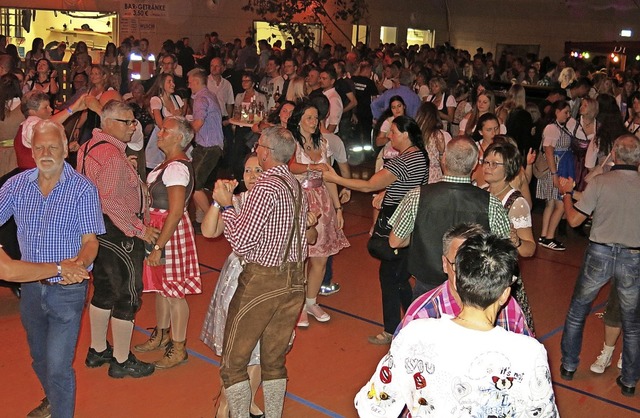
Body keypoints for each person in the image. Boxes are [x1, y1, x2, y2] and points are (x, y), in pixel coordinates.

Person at [355, 232, 558, 417]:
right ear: (505, 293)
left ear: (457, 282)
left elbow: (373, 407)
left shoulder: (414, 335)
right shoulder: (529, 353)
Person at [0, 119, 105, 418]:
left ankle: (60, 410)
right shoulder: (16, 186)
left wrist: (79, 264)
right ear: (31, 152)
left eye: (53, 146)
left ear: (64, 150)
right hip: (30, 287)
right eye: (39, 147)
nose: (46, 152)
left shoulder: (83, 190)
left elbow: (90, 242)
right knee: (40, 359)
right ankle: (53, 399)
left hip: (67, 290)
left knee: (59, 366)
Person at [214, 126, 308, 417]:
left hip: (263, 281)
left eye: (259, 146)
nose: (257, 148)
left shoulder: (266, 186)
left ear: (265, 153)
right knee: (274, 360)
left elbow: (242, 241)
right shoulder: (293, 184)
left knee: (233, 363)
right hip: (294, 280)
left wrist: (227, 206)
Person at [323, 116, 429, 344]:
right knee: (397, 276)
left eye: (393, 132)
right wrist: (388, 193)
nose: (389, 136)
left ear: (405, 134)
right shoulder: (420, 156)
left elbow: (369, 184)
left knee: (391, 276)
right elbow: (410, 186)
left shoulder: (404, 161)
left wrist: (335, 178)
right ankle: (414, 324)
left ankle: (396, 329)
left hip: (398, 221)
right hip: (410, 219)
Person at [77, 100, 160, 379]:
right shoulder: (112, 156)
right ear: (109, 123)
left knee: (103, 290)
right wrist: (139, 229)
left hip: (96, 230)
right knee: (128, 295)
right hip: (118, 232)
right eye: (127, 122)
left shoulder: (90, 147)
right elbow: (111, 201)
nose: (133, 126)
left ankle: (97, 349)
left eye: (133, 121)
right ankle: (122, 361)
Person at [557, 133, 640, 397]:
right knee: (632, 323)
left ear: (614, 155)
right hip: (633, 256)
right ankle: (628, 381)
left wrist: (566, 193)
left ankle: (569, 366)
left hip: (599, 253)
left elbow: (572, 220)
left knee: (577, 311)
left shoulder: (601, 182)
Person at [389, 136, 511, 298]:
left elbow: (394, 241)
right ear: (475, 164)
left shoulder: (417, 195)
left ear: (444, 159)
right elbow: (504, 250)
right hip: (472, 287)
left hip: (427, 285)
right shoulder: (491, 203)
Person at [134, 116, 201, 368]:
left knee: (173, 293)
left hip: (169, 232)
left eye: (165, 130)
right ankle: (162, 335)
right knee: (162, 289)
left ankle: (178, 345)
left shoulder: (176, 168)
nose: (159, 133)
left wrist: (160, 245)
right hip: (161, 228)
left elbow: (174, 211)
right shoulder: (169, 164)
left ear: (179, 138)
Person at [396, 223, 532, 336]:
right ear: (444, 264)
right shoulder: (422, 314)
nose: (466, 273)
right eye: (458, 264)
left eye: (474, 264)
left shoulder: (509, 307)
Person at [287, 101, 350, 326]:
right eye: (310, 118)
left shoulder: (323, 143)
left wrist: (337, 208)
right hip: (299, 201)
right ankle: (298, 304)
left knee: (320, 257)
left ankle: (311, 301)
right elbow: (291, 167)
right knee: (300, 256)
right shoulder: (291, 143)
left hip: (321, 201)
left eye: (316, 118)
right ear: (299, 119)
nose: (315, 122)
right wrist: (312, 168)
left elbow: (329, 177)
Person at [187, 68, 225, 224]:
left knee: (194, 184)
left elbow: (198, 122)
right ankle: (200, 217)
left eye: (190, 83)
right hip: (209, 145)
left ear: (196, 82)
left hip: (209, 147)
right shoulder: (210, 95)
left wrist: (184, 139)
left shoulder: (201, 99)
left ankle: (213, 219)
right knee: (195, 181)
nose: (189, 86)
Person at [535, 100, 572, 251]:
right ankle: (549, 236)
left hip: (557, 168)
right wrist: (554, 173)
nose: (568, 115)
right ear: (557, 111)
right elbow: (549, 151)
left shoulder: (558, 127)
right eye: (566, 112)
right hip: (555, 168)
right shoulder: (552, 128)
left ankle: (544, 236)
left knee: (550, 203)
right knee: (559, 203)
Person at [144, 73, 186, 171]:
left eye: (173, 82)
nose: (173, 84)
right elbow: (160, 124)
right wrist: (174, 116)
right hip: (162, 136)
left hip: (175, 137)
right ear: (161, 84)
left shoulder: (177, 99)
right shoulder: (156, 100)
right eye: (169, 82)